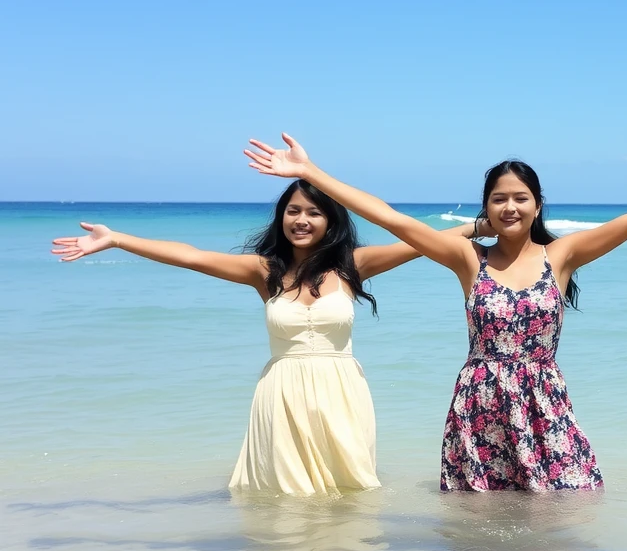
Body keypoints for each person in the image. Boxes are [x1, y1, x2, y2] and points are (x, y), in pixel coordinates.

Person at [245, 134, 627, 492]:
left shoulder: (564, 256)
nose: (509, 207)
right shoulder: (467, 258)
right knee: (481, 529)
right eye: (498, 199)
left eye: (521, 198)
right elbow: (392, 219)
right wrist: (313, 174)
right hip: (479, 404)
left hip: (544, 402)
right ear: (485, 209)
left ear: (537, 205)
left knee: (566, 510)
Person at [50, 181, 482, 495]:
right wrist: (118, 240)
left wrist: (483, 225)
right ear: (282, 218)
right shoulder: (265, 272)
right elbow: (193, 256)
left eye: (313, 212)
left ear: (330, 221)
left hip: (342, 393)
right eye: (293, 211)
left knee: (351, 496)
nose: (301, 219)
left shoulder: (353, 265)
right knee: (284, 501)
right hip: (282, 394)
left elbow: (423, 242)